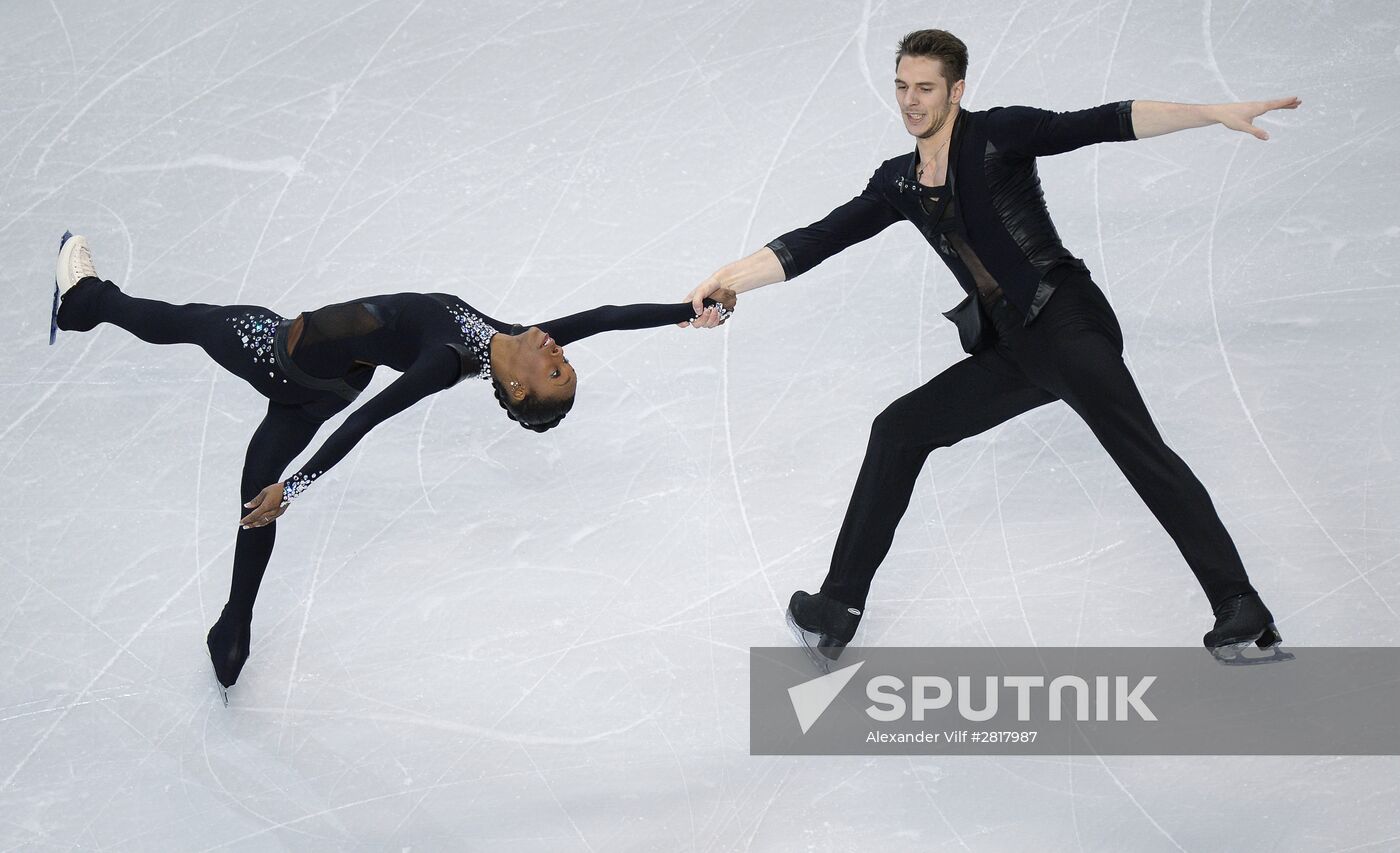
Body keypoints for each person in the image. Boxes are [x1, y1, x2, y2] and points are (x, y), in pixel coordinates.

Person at [680, 29, 1300, 668]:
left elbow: (1107, 122)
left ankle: (1239, 605)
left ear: (957, 90)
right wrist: (728, 279)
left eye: (925, 88)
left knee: (1139, 451)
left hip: (1065, 318)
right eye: (902, 86)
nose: (911, 101)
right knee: (898, 431)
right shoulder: (900, 182)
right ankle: (835, 610)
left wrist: (1209, 114)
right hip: (1018, 347)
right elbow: (815, 240)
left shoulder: (998, 135)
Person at [51, 233, 736, 698]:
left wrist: (297, 484)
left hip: (283, 358)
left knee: (192, 319)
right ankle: (234, 628)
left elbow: (370, 420)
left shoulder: (447, 360)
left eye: (555, 367)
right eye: (565, 357)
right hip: (325, 388)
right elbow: (610, 315)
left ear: (522, 387)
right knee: (252, 501)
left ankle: (85, 302)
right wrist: (688, 310)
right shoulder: (499, 334)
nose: (557, 347)